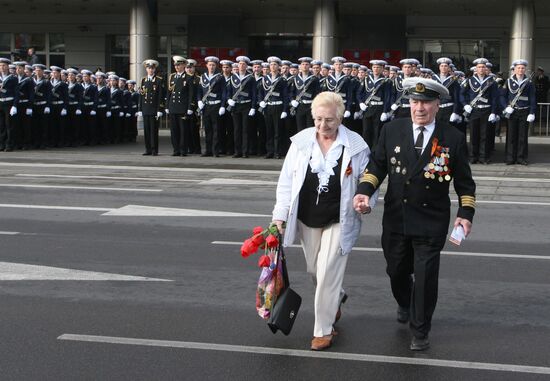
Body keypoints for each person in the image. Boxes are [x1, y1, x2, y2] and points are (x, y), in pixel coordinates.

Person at [354, 77, 476, 351]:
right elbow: (377, 166)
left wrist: (465, 213)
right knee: (396, 270)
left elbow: (465, 183)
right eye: (414, 102)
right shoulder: (392, 130)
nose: (419, 108)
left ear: (437, 106)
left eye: (426, 103)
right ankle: (404, 300)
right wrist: (364, 190)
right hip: (397, 217)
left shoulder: (452, 138)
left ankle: (420, 330)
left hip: (431, 220)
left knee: (425, 276)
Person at [272, 91, 375, 351]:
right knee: (314, 271)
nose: (322, 125)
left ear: (340, 118)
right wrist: (279, 217)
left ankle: (323, 330)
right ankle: (337, 297)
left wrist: (365, 201)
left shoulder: (356, 145)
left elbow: (368, 180)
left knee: (327, 272)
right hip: (307, 218)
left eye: (329, 120)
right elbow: (286, 183)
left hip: (339, 218)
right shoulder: (301, 142)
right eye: (318, 119)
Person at [462, 58, 499, 164]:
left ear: (486, 68)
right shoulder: (469, 80)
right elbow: (462, 94)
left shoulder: (491, 82)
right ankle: (473, 157)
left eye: (483, 67)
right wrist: (465, 105)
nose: (481, 69)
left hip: (486, 110)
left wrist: (493, 112)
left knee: (485, 135)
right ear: (476, 69)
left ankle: (484, 157)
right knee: (473, 135)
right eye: (479, 67)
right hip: (474, 110)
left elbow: (495, 98)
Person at [501, 59, 536, 165]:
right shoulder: (508, 81)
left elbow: (533, 98)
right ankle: (510, 158)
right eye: (518, 68)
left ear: (525, 70)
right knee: (511, 136)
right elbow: (502, 96)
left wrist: (532, 112)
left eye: (522, 68)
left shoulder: (529, 83)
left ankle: (521, 157)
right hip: (512, 112)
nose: (520, 70)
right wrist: (505, 107)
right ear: (514, 69)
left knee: (522, 136)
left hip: (524, 112)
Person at [165, 55, 195, 156]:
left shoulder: (188, 77)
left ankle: (183, 150)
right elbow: (169, 93)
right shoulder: (172, 77)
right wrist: (166, 106)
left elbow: (191, 94)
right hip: (173, 107)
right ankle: (176, 149)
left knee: (183, 130)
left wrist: (190, 107)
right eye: (175, 65)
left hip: (182, 108)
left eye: (179, 65)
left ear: (183, 65)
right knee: (174, 131)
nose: (177, 67)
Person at [137, 59, 164, 156]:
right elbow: (141, 95)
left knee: (153, 131)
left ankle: (154, 149)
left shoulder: (158, 80)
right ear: (146, 69)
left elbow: (160, 96)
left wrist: (159, 109)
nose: (150, 70)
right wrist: (140, 109)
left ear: (154, 69)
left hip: (153, 109)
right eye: (149, 68)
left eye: (152, 68)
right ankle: (147, 149)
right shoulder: (143, 80)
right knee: (146, 131)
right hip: (145, 108)